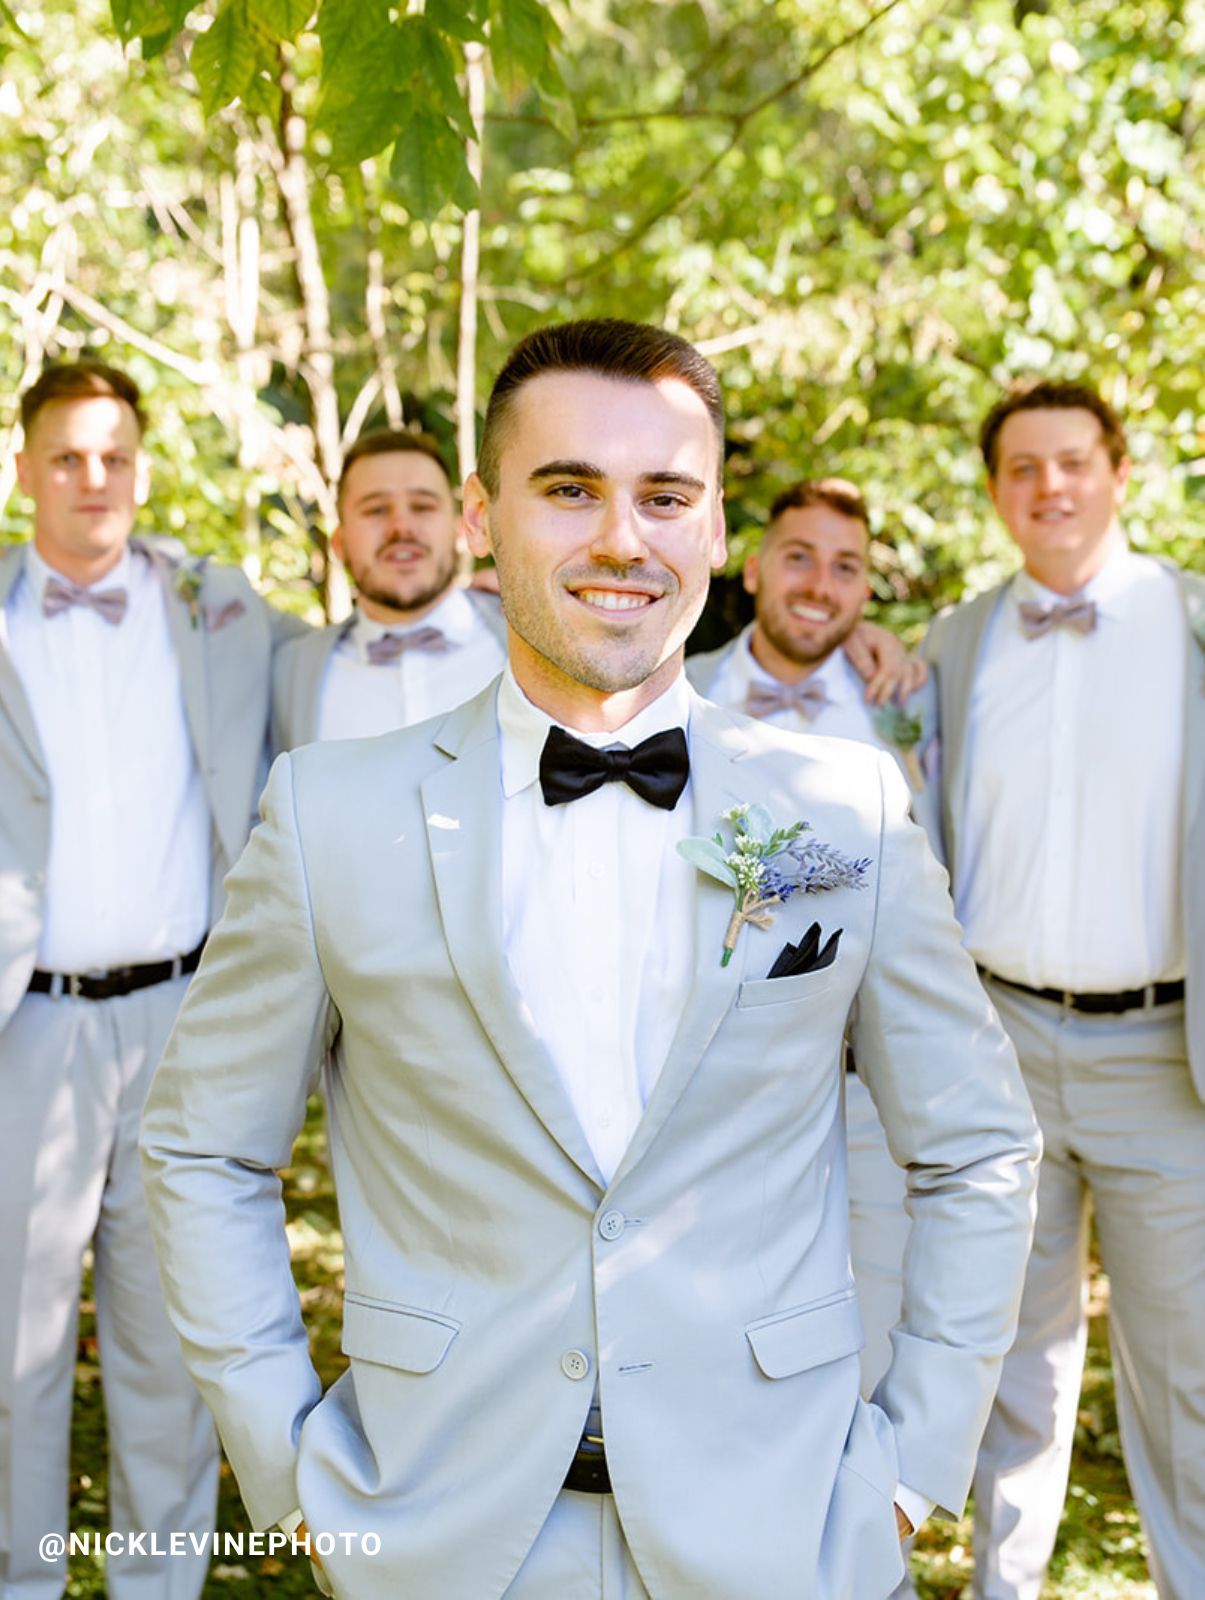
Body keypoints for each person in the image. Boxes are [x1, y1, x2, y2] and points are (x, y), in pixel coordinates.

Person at [141, 319, 1039, 1600]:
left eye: (663, 495)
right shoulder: (328, 811)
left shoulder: (844, 809)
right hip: (442, 1538)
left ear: (713, 527)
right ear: (480, 518)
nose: (623, 537)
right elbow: (202, 1148)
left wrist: (905, 1475)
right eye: (569, 490)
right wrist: (290, 1474)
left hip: (784, 1531)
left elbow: (976, 1147)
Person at [0, 361, 301, 1599]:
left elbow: (376, 653)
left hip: (186, 1016)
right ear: (22, 470)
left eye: (115, 455)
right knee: (16, 1339)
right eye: (67, 455)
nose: (94, 478)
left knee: (170, 1340)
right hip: (29, 1025)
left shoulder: (216, 603)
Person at [922, 379, 1205, 1600]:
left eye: (1071, 461)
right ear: (993, 492)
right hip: (996, 1043)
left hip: (1167, 1054)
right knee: (1009, 1361)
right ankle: (1003, 1587)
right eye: (1021, 467)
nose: (1048, 486)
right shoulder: (949, 642)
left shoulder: (1192, 624)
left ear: (1118, 471)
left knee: (1186, 1373)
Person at [688, 475, 941, 1367]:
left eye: (844, 568)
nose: (818, 585)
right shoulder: (675, 690)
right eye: (797, 557)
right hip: (717, 1068)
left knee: (877, 1301)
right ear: (751, 568)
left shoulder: (907, 700)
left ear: (864, 591)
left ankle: (869, 1500)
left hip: (875, 1066)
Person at [271, 429, 507, 750]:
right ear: (340, 544)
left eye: (422, 506)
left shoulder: (526, 635)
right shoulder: (290, 674)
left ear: (461, 529)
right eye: (376, 510)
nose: (401, 527)